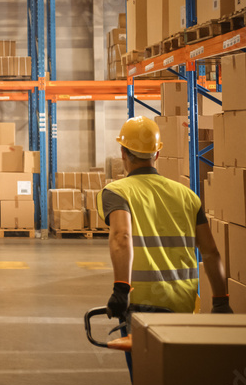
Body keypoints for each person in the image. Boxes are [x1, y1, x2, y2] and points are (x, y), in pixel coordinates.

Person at [98, 116, 232, 322]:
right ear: (157, 154)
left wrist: (121, 290)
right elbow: (211, 252)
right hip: (183, 302)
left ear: (123, 152)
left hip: (141, 305)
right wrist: (221, 301)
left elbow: (121, 236)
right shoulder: (187, 195)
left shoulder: (117, 193)